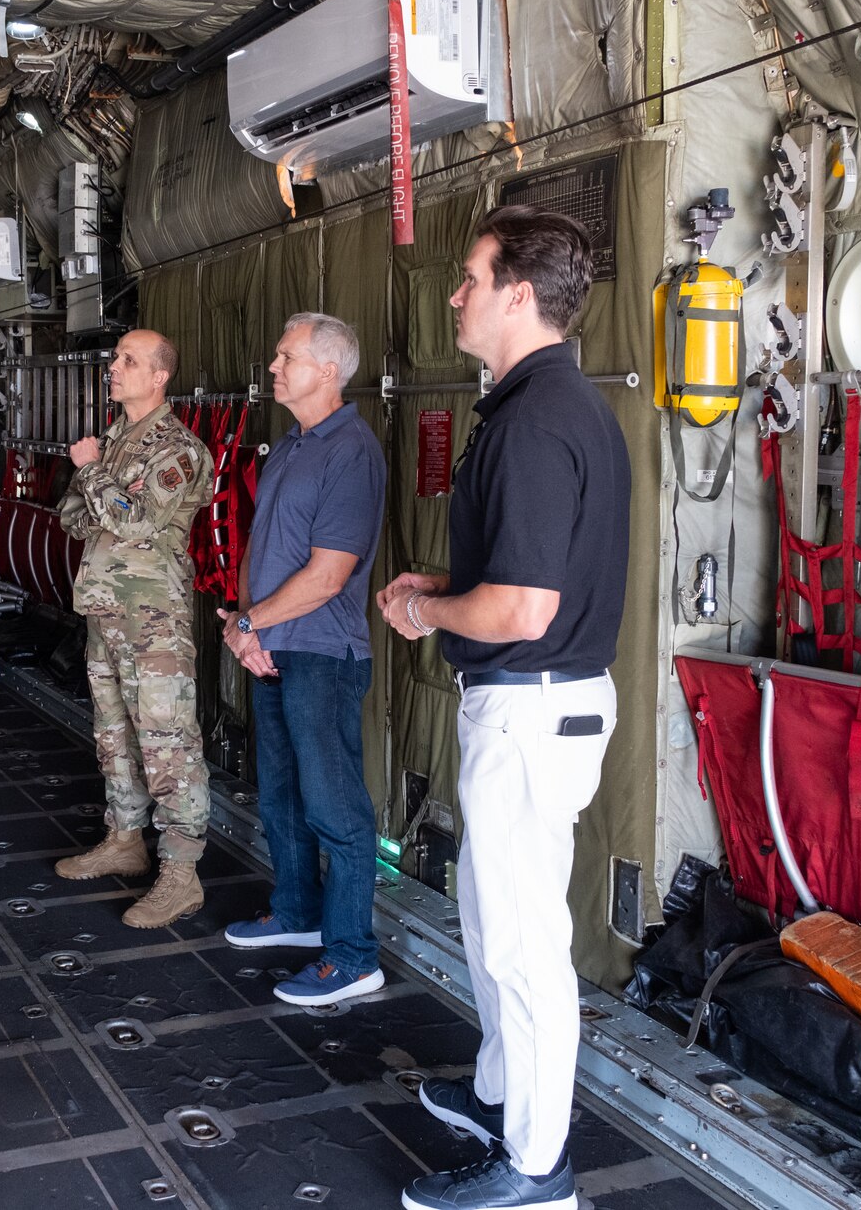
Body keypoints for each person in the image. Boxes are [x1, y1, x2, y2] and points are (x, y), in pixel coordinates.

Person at [377, 207, 630, 1210]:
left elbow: (522, 608)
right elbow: (535, 576)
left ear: (516, 294)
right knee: (490, 923)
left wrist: (427, 609)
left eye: (467, 278)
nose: (454, 295)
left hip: (529, 712)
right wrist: (442, 581)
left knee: (523, 947)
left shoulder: (532, 422)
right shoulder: (554, 407)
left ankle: (535, 1171)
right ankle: (498, 1093)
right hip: (536, 701)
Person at [218, 313, 388, 1007]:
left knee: (334, 806)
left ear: (327, 370)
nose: (274, 366)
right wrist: (243, 626)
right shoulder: (290, 445)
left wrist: (252, 621)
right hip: (272, 647)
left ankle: (351, 954)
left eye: (286, 357)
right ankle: (296, 912)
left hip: (323, 653)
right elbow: (260, 547)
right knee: (281, 793)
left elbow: (327, 575)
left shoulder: (352, 452)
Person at [55, 329, 214, 927]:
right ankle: (125, 839)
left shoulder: (177, 449)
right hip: (106, 612)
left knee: (167, 743)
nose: (114, 368)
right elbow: (73, 514)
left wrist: (94, 475)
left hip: (154, 624)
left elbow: (137, 521)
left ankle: (181, 874)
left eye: (129, 361)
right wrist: (100, 486)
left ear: (159, 377)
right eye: (115, 358)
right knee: (114, 734)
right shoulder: (117, 441)